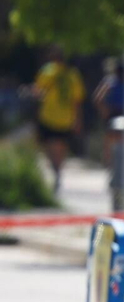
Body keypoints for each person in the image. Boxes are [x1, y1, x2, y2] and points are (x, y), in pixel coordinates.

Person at [32, 47, 84, 194]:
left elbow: (37, 92)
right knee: (61, 146)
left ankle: (55, 169)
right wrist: (78, 120)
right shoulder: (73, 75)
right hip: (66, 117)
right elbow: (77, 101)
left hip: (48, 115)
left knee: (49, 145)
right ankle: (58, 169)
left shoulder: (48, 71)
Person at [93, 59, 124, 210]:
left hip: (118, 116)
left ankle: (111, 167)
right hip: (118, 116)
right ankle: (111, 167)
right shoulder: (113, 82)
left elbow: (97, 99)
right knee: (115, 148)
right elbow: (98, 99)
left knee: (115, 149)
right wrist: (105, 112)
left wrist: (104, 112)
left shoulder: (113, 82)